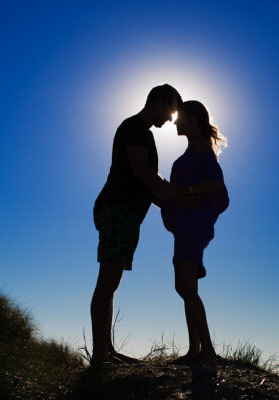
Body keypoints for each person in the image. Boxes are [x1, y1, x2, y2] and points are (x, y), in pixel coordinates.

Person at [91, 84, 183, 364]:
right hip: (117, 209)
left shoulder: (142, 133)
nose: (170, 120)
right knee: (107, 282)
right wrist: (178, 195)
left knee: (112, 282)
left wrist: (169, 202)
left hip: (126, 213)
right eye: (170, 111)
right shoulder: (134, 128)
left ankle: (106, 351)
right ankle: (100, 357)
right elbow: (143, 173)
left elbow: (145, 186)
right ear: (156, 102)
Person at [160, 100, 229, 366]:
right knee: (189, 286)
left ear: (193, 121)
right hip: (185, 227)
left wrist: (186, 193)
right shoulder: (193, 151)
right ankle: (195, 350)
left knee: (184, 285)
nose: (175, 123)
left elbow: (217, 187)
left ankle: (207, 351)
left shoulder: (201, 150)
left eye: (180, 118)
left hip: (193, 227)